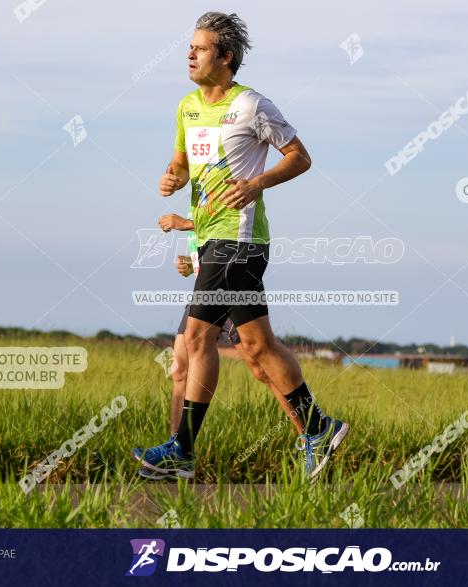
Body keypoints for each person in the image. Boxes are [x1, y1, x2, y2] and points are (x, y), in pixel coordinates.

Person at [134, 12, 348, 481]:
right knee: (256, 345)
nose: (190, 54)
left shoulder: (253, 106)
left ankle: (182, 452)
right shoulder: (187, 107)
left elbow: (300, 157)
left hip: (240, 238)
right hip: (212, 237)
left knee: (195, 339)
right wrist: (173, 178)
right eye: (189, 47)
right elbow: (182, 165)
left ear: (226, 57)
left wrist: (258, 183)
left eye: (200, 48)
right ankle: (318, 428)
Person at [133, 211, 304, 480]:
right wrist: (191, 262)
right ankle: (176, 453)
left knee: (261, 365)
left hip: (228, 274)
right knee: (180, 367)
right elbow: (208, 235)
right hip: (209, 279)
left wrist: (184, 224)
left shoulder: (224, 174)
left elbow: (229, 224)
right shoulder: (199, 187)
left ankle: (310, 436)